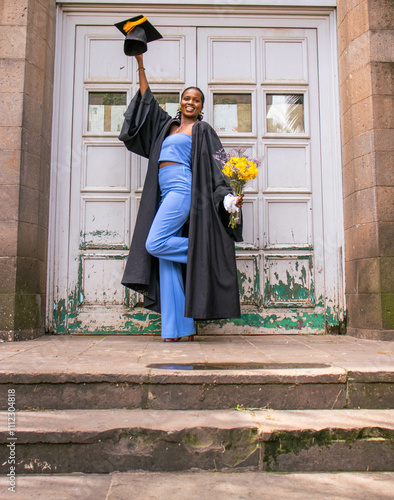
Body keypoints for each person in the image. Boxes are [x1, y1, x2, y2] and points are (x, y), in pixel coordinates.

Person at [119, 53, 243, 342]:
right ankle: (179, 328)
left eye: (196, 99)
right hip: (163, 194)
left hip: (182, 190)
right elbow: (146, 100)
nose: (190, 102)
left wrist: (228, 199)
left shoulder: (202, 130)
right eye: (186, 98)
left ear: (201, 106)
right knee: (167, 263)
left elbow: (218, 168)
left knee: (155, 243)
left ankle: (206, 251)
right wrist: (140, 62)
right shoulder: (167, 126)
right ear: (181, 101)